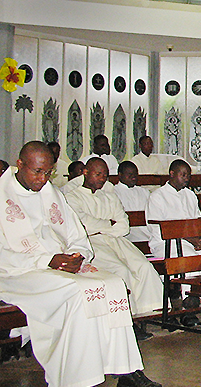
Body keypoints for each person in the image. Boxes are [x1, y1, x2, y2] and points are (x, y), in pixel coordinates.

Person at [0, 141, 160, 387]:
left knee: (113, 283)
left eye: (48, 173)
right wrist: (48, 260)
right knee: (80, 293)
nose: (43, 179)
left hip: (59, 266)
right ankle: (77, 376)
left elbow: (75, 233)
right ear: (19, 164)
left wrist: (76, 255)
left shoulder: (50, 192)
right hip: (19, 272)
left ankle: (126, 369)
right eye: (37, 171)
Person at [65, 158, 163, 337]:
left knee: (143, 267)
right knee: (120, 270)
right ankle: (127, 323)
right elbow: (83, 225)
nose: (102, 178)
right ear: (85, 172)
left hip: (116, 240)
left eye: (105, 175)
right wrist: (109, 224)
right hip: (92, 242)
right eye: (98, 174)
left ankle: (149, 313)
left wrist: (105, 225)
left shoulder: (109, 195)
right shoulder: (72, 196)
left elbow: (123, 225)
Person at [146, 159, 201, 324]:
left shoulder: (189, 195)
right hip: (165, 243)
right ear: (172, 174)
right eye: (183, 175)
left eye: (188, 175)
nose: (186, 178)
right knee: (188, 255)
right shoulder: (157, 197)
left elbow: (197, 221)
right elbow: (158, 229)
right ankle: (187, 305)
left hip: (190, 241)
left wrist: (200, 238)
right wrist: (190, 239)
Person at [115, 161, 153, 245]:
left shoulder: (144, 192)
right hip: (128, 234)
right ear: (120, 175)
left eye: (135, 174)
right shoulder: (114, 192)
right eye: (129, 174)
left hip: (147, 232)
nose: (133, 177)